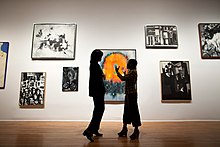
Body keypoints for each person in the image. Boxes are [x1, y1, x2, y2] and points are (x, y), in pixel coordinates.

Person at [115, 59, 141, 140]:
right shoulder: (131, 72)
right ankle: (124, 129)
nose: (127, 64)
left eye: (129, 63)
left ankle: (136, 131)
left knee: (133, 111)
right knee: (127, 111)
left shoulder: (133, 72)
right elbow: (127, 78)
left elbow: (123, 78)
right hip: (129, 94)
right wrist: (124, 72)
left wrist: (117, 72)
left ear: (132, 65)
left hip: (131, 94)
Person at [83, 49, 106, 142]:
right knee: (99, 110)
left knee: (99, 109)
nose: (101, 57)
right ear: (96, 57)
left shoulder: (94, 65)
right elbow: (96, 80)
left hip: (97, 91)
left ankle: (95, 129)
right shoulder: (94, 66)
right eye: (100, 56)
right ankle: (89, 130)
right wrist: (101, 75)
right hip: (98, 91)